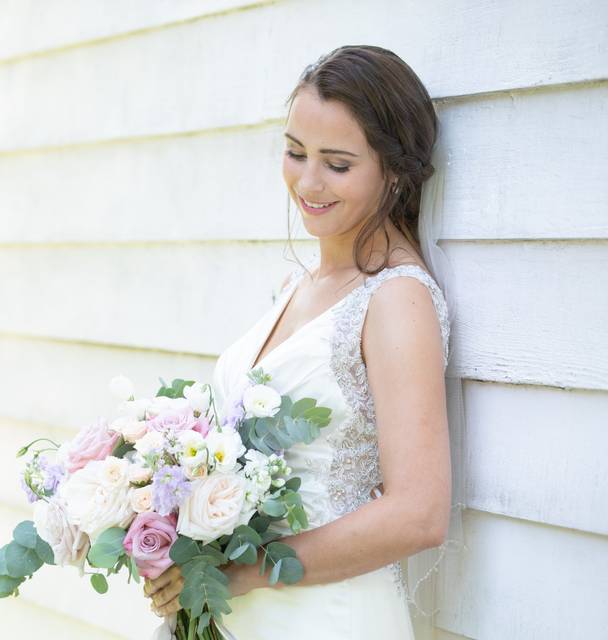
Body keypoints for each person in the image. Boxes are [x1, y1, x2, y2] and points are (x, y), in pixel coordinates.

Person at [142, 45, 455, 639]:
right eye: (295, 152)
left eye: (337, 164)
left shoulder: (396, 299)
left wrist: (241, 571)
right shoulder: (299, 285)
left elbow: (419, 514)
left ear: (395, 170)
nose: (308, 182)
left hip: (323, 616)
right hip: (237, 611)